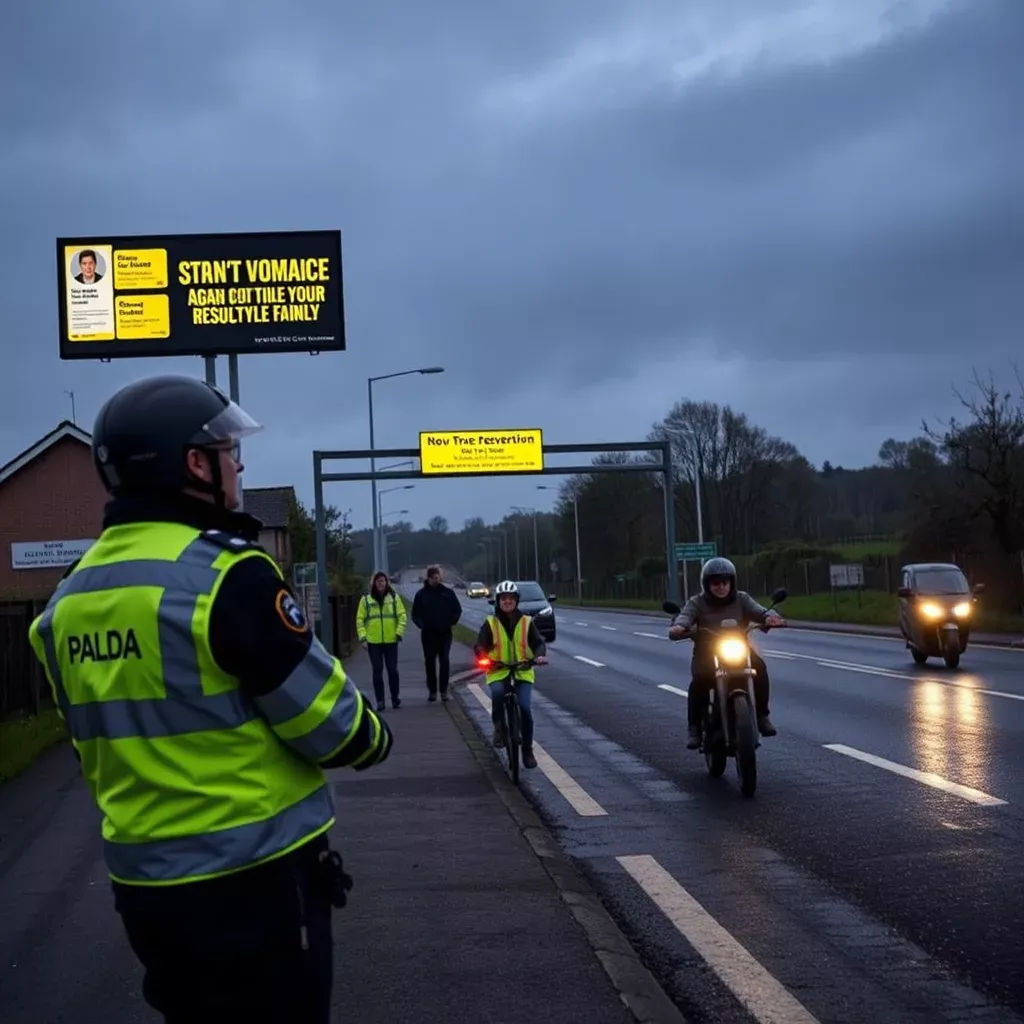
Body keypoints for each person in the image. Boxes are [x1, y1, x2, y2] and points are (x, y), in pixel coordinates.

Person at [26, 373, 393, 1024]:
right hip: (257, 882)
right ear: (195, 465)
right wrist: (374, 734)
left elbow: (93, 748)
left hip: (145, 894)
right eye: (228, 451)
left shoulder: (64, 605)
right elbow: (334, 730)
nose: (240, 463)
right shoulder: (229, 576)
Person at [668, 557, 784, 749]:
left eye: (725, 581)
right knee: (699, 681)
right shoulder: (697, 602)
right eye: (715, 582)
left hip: (739, 648)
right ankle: (695, 728)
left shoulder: (742, 598)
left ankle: (762, 715)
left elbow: (760, 611)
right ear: (707, 584)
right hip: (707, 651)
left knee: (760, 668)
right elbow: (684, 617)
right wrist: (679, 627)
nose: (721, 586)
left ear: (732, 582)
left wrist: (772, 618)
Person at [473, 580, 549, 769]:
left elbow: (538, 643)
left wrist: (539, 657)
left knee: (524, 707)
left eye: (511, 599)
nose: (507, 602)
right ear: (498, 601)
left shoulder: (526, 622)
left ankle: (527, 750)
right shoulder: (490, 623)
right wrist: (483, 656)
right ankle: (499, 728)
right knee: (498, 694)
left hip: (522, 670)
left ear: (516, 601)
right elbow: (480, 644)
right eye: (504, 599)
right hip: (498, 670)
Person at [410, 565, 462, 702]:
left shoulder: (448, 593)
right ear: (428, 578)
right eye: (433, 578)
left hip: (445, 633)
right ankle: (432, 691)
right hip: (428, 634)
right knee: (430, 662)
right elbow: (415, 614)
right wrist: (422, 625)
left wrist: (451, 621)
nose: (436, 580)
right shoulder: (421, 594)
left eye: (438, 577)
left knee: (444, 660)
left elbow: (457, 610)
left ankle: (444, 691)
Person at [357, 570, 406, 711]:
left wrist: (399, 633)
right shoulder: (366, 600)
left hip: (391, 640)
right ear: (374, 583)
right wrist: (363, 638)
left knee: (392, 670)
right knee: (377, 671)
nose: (381, 583)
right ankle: (380, 701)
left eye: (383, 581)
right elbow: (360, 620)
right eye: (378, 581)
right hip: (373, 641)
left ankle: (395, 698)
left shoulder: (394, 598)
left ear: (386, 582)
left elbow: (402, 616)